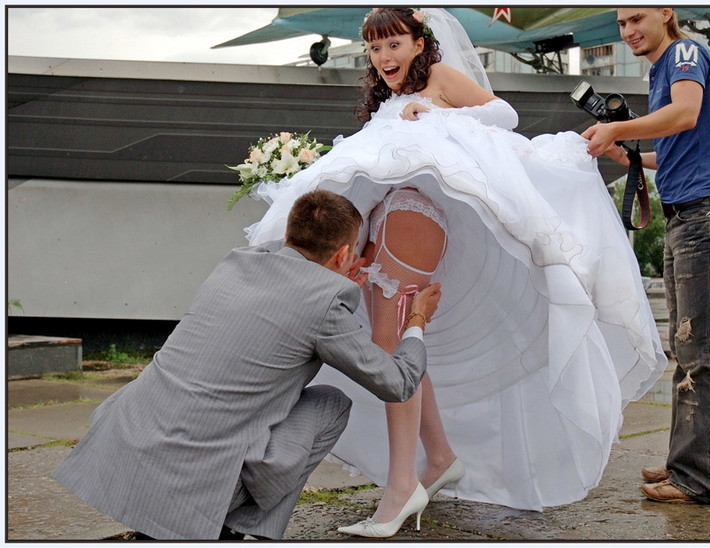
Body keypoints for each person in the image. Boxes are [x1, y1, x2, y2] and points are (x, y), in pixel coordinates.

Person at [245, 7, 667, 537]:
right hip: (389, 215)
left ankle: (401, 489)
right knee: (391, 342)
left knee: (388, 342)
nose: (384, 57)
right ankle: (438, 456)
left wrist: (437, 114)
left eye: (394, 44)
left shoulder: (439, 79)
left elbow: (502, 114)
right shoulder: (387, 99)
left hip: (417, 213)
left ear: (420, 44)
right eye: (375, 49)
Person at [52, 189, 442, 540]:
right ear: (343, 255)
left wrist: (330, 285)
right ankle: (236, 526)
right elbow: (398, 382)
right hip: (191, 475)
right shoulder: (324, 304)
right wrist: (416, 320)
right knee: (331, 403)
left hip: (124, 447)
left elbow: (289, 298)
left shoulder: (236, 262)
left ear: (291, 234)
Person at [582, 8, 710, 504]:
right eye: (621, 24)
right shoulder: (663, 67)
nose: (629, 30)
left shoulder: (686, 52)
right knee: (688, 346)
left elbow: (686, 114)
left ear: (666, 14)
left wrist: (618, 132)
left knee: (702, 349)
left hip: (704, 215)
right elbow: (677, 144)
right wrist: (632, 156)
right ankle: (687, 465)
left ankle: (707, 480)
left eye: (637, 18)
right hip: (687, 216)